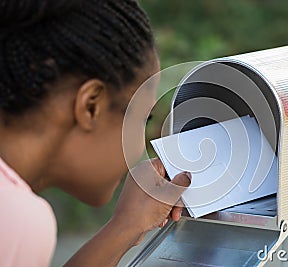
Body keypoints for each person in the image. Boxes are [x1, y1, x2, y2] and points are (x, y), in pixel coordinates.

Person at [0, 0, 191, 266]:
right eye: (141, 119)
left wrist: (126, 226)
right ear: (91, 105)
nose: (138, 148)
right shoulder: (17, 219)